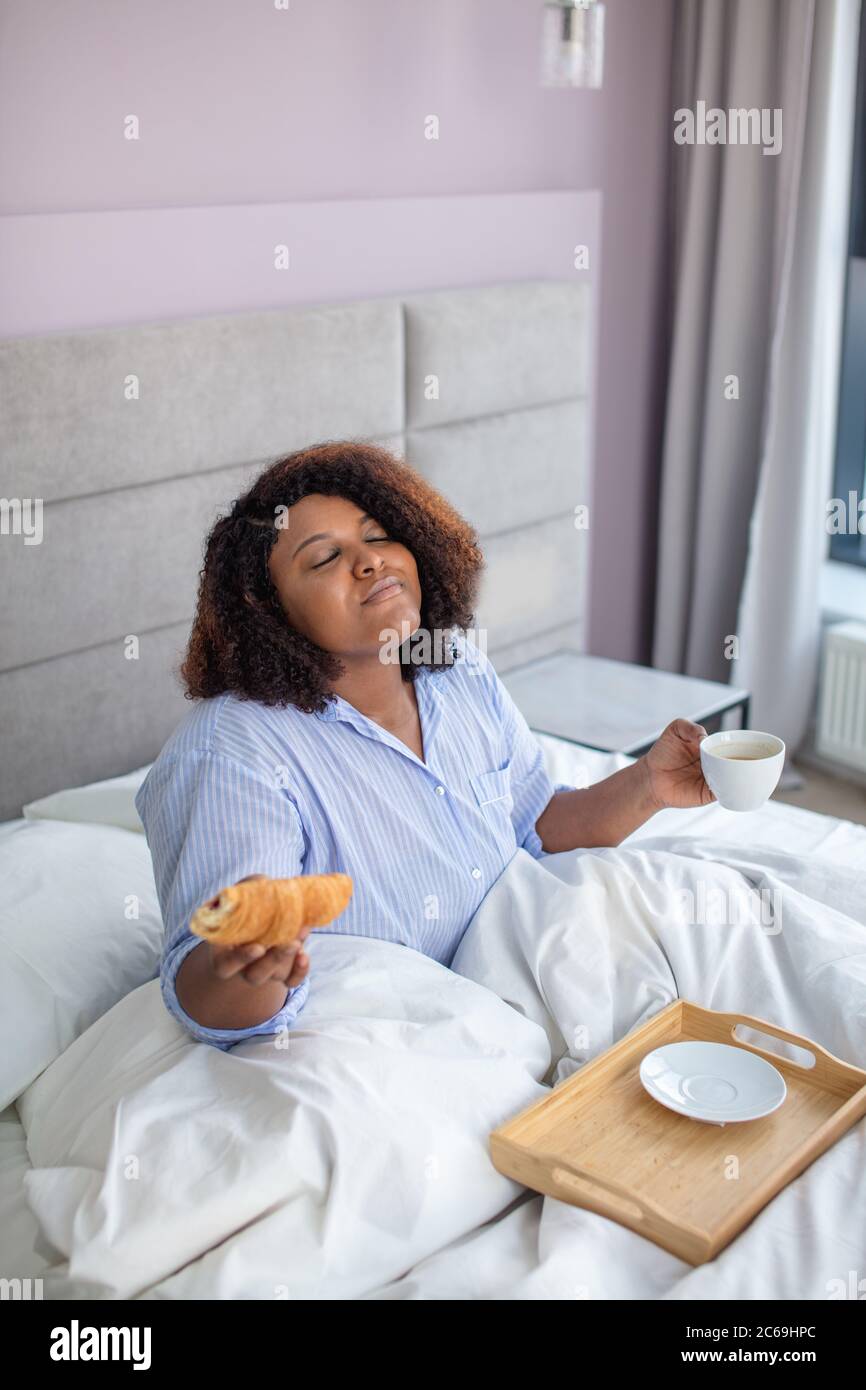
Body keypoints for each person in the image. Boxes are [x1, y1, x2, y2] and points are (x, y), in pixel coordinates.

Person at [136, 440, 715, 1050]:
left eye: (379, 535)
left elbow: (536, 823)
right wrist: (249, 966)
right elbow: (206, 993)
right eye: (326, 557)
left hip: (533, 980)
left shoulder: (455, 668)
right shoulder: (232, 753)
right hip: (400, 1043)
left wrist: (649, 785)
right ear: (268, 612)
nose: (369, 563)